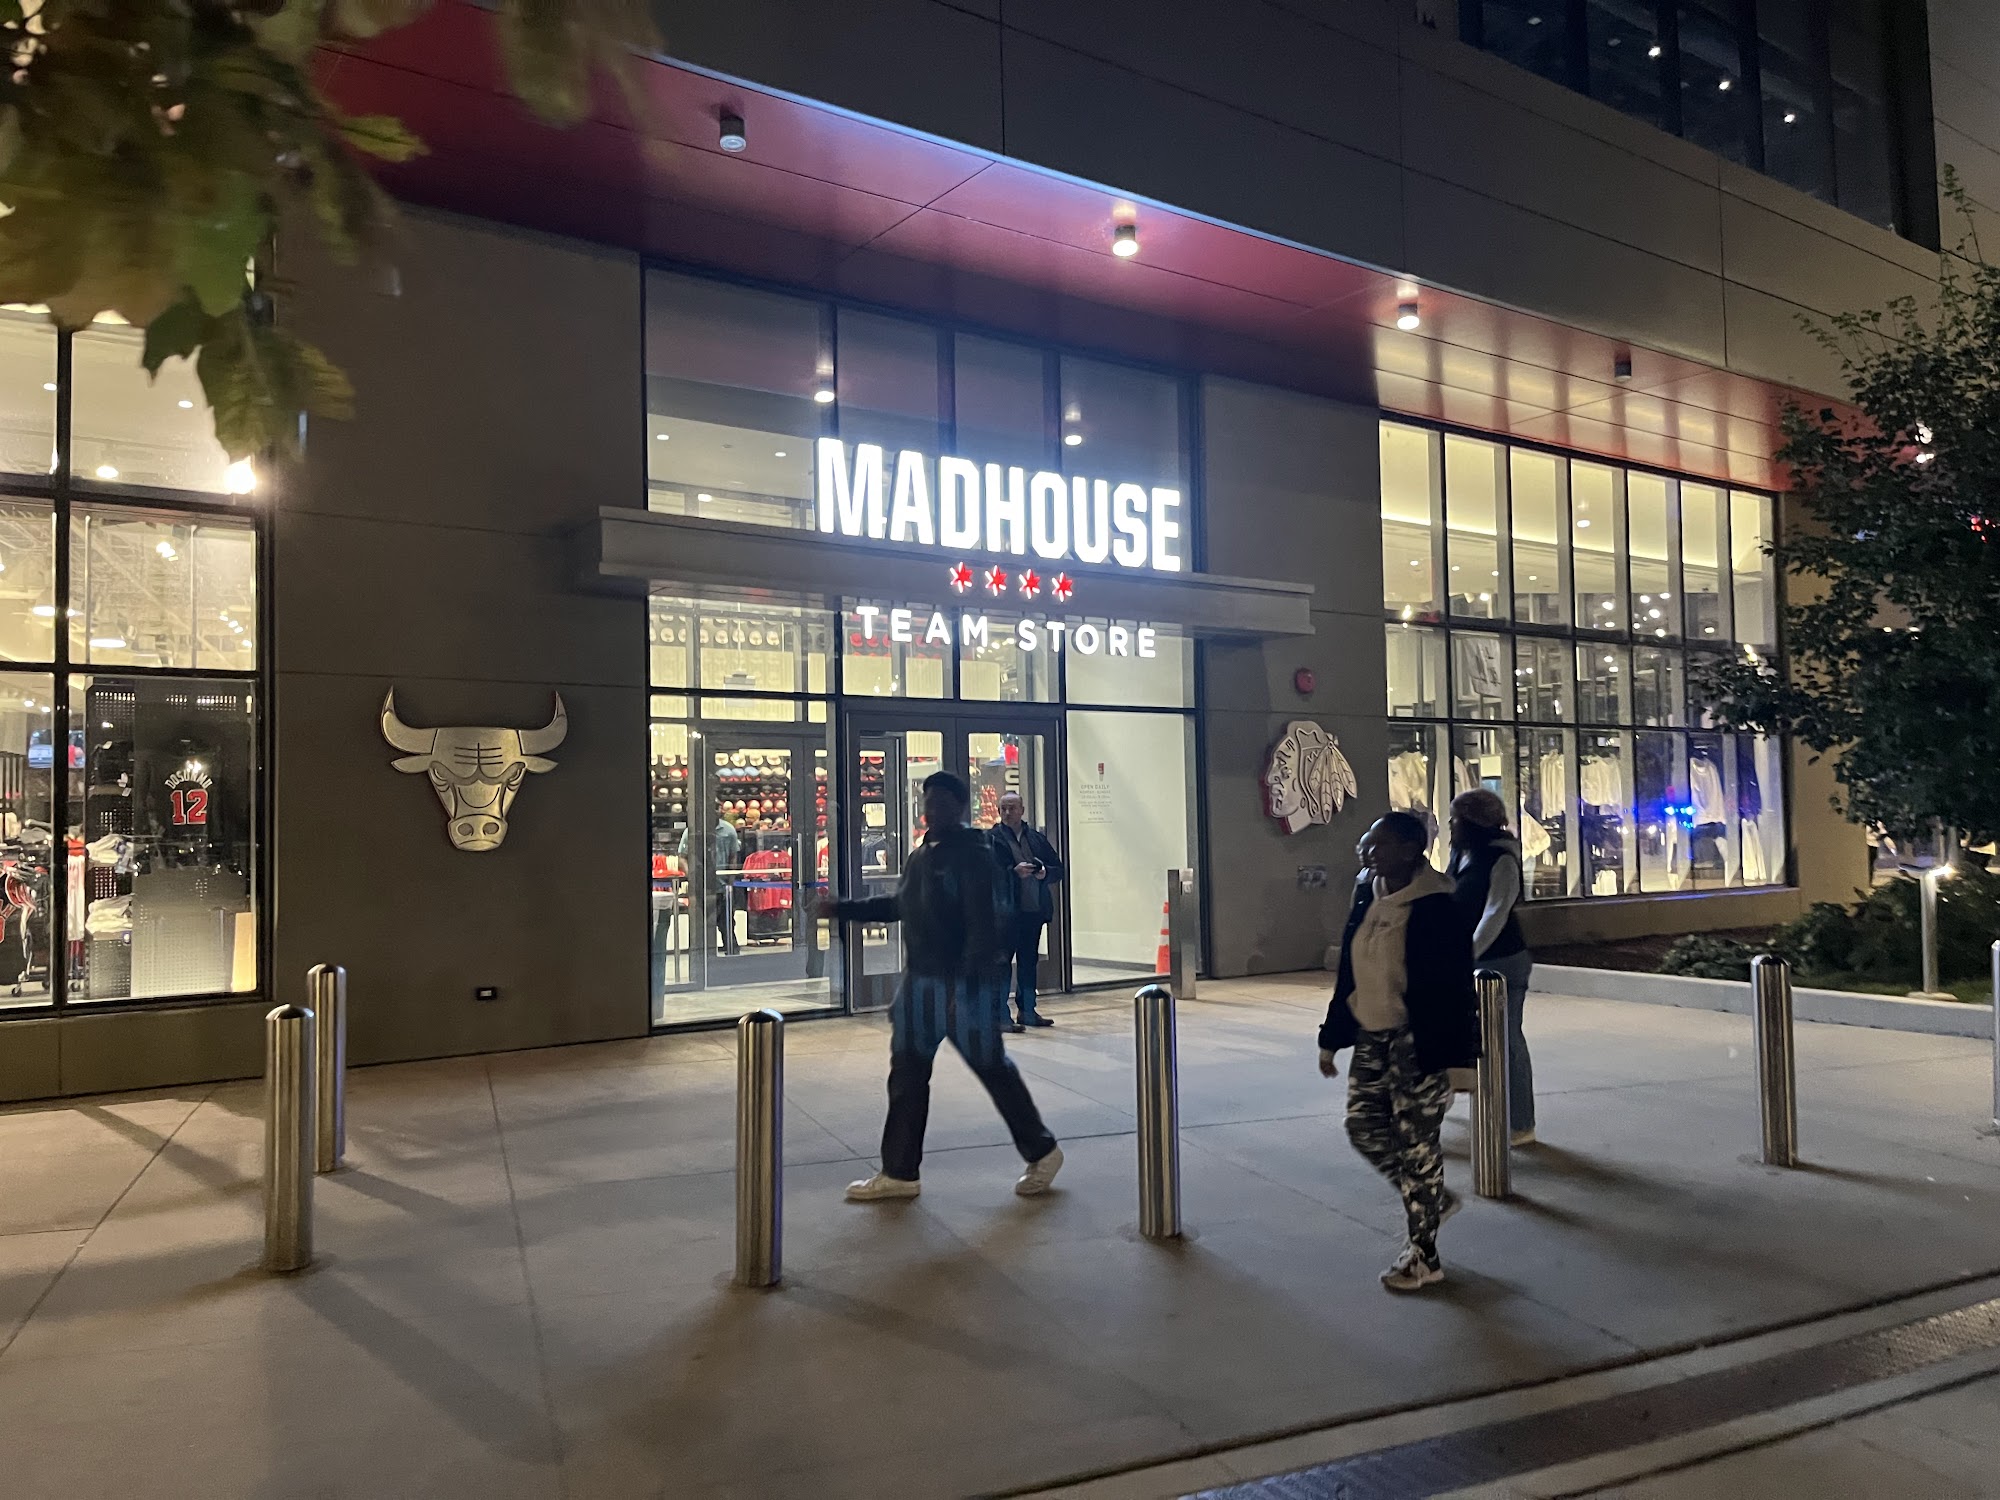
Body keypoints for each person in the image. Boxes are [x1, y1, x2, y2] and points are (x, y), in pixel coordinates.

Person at [818, 771, 1064, 1202]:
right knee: (908, 1076)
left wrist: (966, 985)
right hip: (921, 987)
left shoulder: (974, 857)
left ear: (960, 808)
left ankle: (1042, 1150)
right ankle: (899, 1172)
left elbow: (987, 926)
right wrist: (844, 909)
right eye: (927, 800)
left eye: (941, 802)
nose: (931, 809)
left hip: (959, 989)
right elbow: (900, 905)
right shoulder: (922, 855)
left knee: (991, 1069)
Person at [1319, 812, 1479, 1293]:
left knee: (1417, 1147)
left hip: (1417, 1041)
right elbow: (1350, 973)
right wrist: (1332, 1038)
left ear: (1411, 851)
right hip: (1372, 1035)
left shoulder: (1438, 907)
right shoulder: (1367, 893)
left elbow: (1454, 989)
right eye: (1367, 843)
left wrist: (1457, 1064)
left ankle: (1424, 1257)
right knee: (1363, 1128)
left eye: (1380, 845)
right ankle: (1433, 1199)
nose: (1369, 853)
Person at [1450, 788, 1535, 1145]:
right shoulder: (1461, 854)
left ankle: (1521, 1122)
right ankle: (1446, 1097)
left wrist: (1466, 955)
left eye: (1457, 819)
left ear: (1474, 822)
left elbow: (1495, 913)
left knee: (1507, 1038)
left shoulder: (1501, 858)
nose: (1451, 826)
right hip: (1465, 959)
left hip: (1502, 962)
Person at [989, 791, 1064, 1031]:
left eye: (1012, 808)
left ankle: (1028, 1011)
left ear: (1022, 810)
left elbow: (1058, 868)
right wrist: (1012, 873)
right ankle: (1000, 1016)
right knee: (1002, 965)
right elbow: (984, 875)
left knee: (1028, 964)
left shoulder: (1036, 839)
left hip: (1033, 911)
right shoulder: (991, 839)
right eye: (1003, 808)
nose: (1007, 812)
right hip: (1004, 914)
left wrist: (1044, 873)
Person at [679, 814, 741, 955]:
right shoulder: (692, 830)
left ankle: (732, 952)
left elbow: (733, 856)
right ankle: (702, 954)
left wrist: (730, 882)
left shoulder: (728, 830)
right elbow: (682, 857)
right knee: (701, 924)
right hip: (701, 887)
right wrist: (692, 877)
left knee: (726, 923)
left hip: (722, 886)